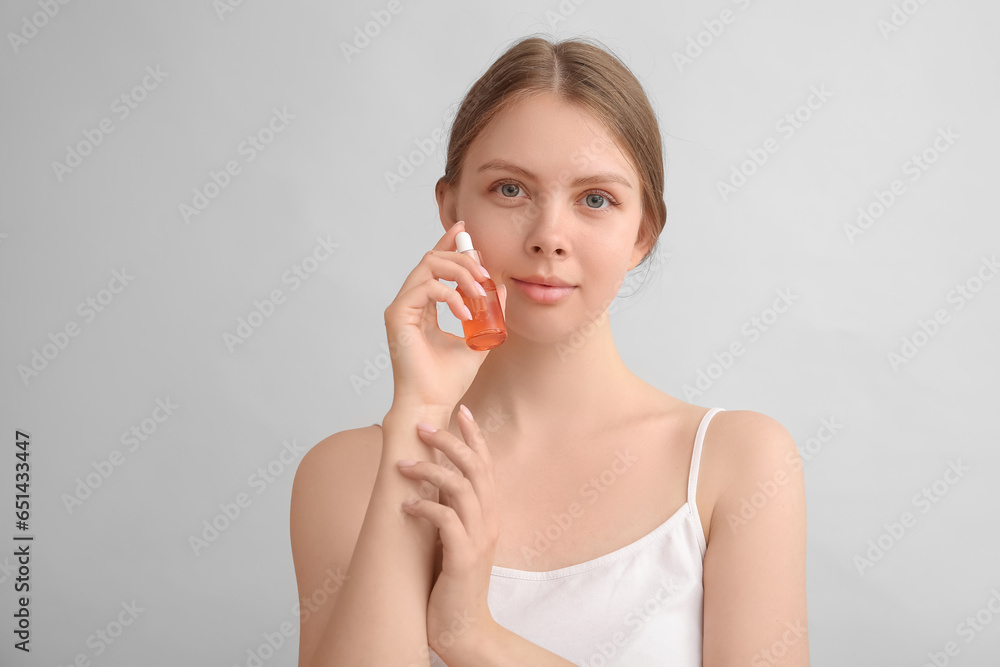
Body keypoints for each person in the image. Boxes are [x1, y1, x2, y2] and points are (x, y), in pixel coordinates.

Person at [290, 35, 808, 666]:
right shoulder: (346, 474)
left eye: (596, 200)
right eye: (510, 190)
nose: (548, 238)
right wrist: (420, 413)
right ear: (451, 207)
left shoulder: (737, 463)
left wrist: (474, 637)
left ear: (642, 232)